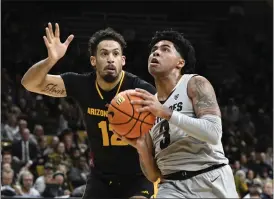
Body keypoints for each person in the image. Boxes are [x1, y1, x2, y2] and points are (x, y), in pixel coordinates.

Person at [21, 22, 156, 198]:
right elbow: (29, 83)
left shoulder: (141, 90)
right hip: (100, 178)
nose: (110, 59)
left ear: (123, 61)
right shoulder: (81, 84)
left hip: (138, 177)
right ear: (93, 60)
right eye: (104, 53)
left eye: (116, 54)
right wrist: (51, 60)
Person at [122, 30, 239, 198]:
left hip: (210, 179)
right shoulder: (147, 107)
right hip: (171, 187)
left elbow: (213, 133)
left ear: (180, 62)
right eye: (154, 49)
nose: (156, 52)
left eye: (165, 49)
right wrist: (141, 148)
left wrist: (166, 113)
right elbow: (153, 175)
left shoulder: (194, 83)